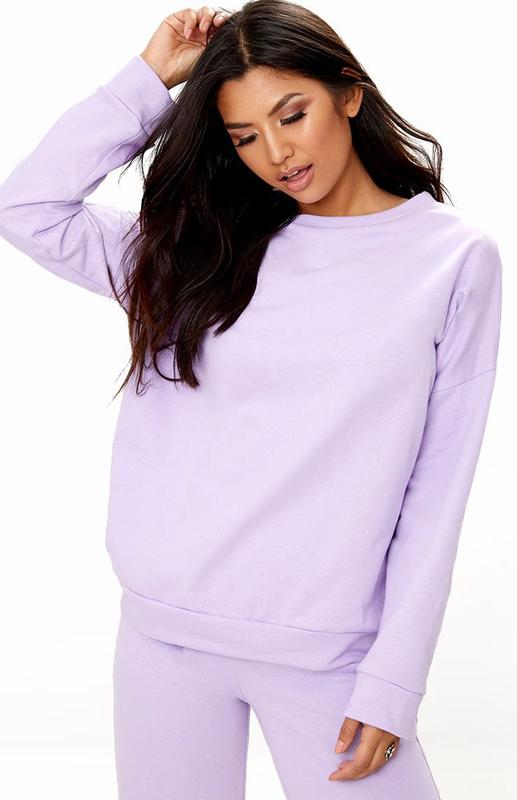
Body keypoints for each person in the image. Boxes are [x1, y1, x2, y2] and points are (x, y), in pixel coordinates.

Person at [0, 1, 502, 797]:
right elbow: (27, 207)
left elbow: (436, 488)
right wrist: (147, 80)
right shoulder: (196, 253)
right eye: (243, 137)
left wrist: (393, 681)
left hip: (329, 656)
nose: (276, 153)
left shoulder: (450, 261)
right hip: (165, 638)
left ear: (349, 93)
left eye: (291, 115)